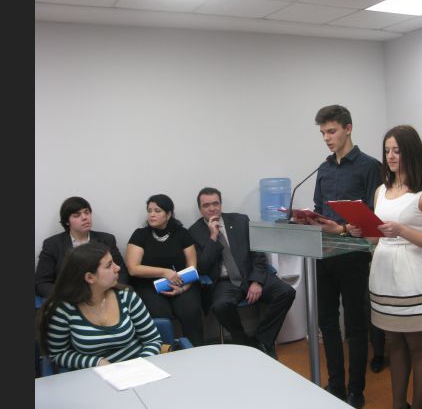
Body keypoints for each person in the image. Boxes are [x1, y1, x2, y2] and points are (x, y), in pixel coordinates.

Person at [348, 125, 422, 409]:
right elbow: (377, 238)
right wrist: (361, 232)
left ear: (411, 153)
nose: (390, 156)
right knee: (393, 344)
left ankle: (417, 406)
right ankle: (398, 405)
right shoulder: (381, 191)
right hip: (384, 278)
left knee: (419, 348)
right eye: (387, 150)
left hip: (414, 281)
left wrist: (402, 230)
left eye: (397, 150)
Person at [302, 105, 382, 408]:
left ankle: (355, 389)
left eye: (331, 131)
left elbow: (375, 217)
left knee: (355, 324)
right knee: (327, 323)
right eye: (323, 133)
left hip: (354, 255)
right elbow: (319, 208)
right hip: (323, 254)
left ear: (348, 129)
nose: (326, 138)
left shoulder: (370, 166)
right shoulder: (323, 169)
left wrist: (345, 228)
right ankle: (335, 384)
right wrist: (308, 219)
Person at [188, 187, 296, 359]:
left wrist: (257, 281)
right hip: (224, 282)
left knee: (286, 292)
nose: (212, 208)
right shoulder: (194, 232)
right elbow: (202, 267)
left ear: (221, 204)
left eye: (215, 203)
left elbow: (258, 253)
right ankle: (242, 341)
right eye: (206, 205)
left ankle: (262, 340)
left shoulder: (240, 220)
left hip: (249, 273)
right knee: (220, 306)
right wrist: (213, 237)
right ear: (200, 209)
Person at [39, 242, 162, 370]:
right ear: (90, 277)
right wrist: (97, 362)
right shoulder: (63, 309)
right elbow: (58, 354)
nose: (117, 268)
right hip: (94, 375)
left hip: (139, 369)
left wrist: (138, 366)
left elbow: (152, 340)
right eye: (109, 265)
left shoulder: (126, 296)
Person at [125, 194, 204, 347]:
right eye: (149, 211)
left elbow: (192, 267)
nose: (152, 214)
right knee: (160, 315)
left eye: (157, 211)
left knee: (190, 311)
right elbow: (133, 269)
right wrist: (164, 272)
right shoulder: (140, 235)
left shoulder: (182, 233)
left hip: (181, 283)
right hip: (150, 286)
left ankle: (197, 350)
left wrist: (183, 288)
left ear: (168, 215)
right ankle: (165, 353)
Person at [35, 196, 128, 298]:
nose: (84, 217)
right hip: (68, 299)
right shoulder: (52, 244)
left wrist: (105, 294)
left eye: (87, 212)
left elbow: (121, 273)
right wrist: (68, 296)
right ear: (67, 221)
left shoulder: (107, 240)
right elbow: (42, 283)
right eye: (77, 215)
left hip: (102, 295)